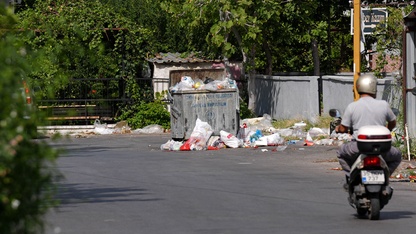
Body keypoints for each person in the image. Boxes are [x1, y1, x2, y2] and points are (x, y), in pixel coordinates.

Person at [335, 74, 402, 181]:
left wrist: (338, 129)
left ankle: (351, 176)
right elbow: (393, 122)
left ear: (358, 88)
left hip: (359, 147)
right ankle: (385, 177)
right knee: (397, 155)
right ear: (374, 88)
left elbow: (343, 128)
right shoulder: (383, 105)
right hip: (382, 148)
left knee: (340, 153)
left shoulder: (353, 106)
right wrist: (386, 130)